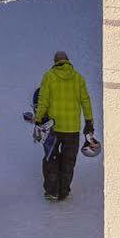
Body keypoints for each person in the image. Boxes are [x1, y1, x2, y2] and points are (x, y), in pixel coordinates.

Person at [34, 50, 94, 201]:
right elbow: (85, 101)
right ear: (68, 61)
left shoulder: (49, 76)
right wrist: (89, 122)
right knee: (68, 160)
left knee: (51, 158)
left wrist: (38, 118)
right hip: (72, 128)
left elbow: (43, 100)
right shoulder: (78, 78)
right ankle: (64, 191)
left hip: (53, 128)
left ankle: (51, 191)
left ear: (55, 62)